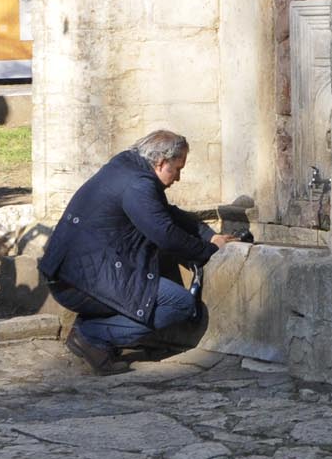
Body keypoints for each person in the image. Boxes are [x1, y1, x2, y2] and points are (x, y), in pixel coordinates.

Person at [41, 129, 236, 371]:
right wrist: (208, 249)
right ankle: (92, 335)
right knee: (181, 304)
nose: (178, 178)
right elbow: (166, 235)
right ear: (162, 162)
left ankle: (98, 329)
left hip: (70, 274)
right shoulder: (138, 185)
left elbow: (167, 213)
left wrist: (208, 234)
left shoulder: (127, 167)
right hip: (81, 282)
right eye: (178, 169)